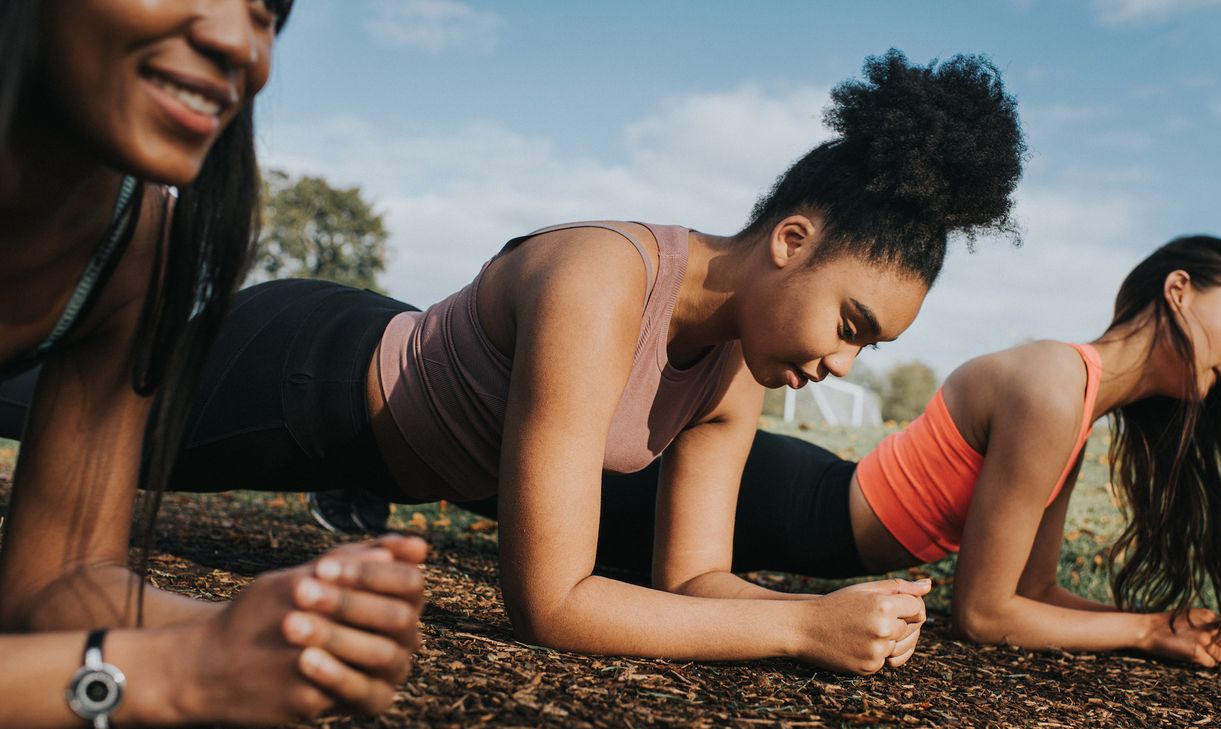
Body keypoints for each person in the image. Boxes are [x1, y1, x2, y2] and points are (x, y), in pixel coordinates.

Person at [1, 50, 1027, 674]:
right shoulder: (603, 278)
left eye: (870, 344)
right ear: (791, 241)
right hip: (301, 379)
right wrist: (800, 636)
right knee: (27, 391)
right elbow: (551, 602)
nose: (844, 364)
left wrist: (824, 613)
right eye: (850, 323)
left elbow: (693, 576)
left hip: (377, 438)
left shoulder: (735, 369)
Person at [456, 235, 1221, 668]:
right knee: (497, 466)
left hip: (806, 504)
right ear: (1178, 289)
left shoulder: (1078, 400)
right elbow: (987, 617)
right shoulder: (1053, 385)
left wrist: (1162, 626)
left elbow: (1034, 591)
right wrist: (1144, 631)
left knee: (528, 478)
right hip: (793, 504)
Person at [0, 2, 427, 726]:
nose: (237, 42)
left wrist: (260, 629)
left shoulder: (134, 243)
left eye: (265, 12)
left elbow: (58, 578)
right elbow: (154, 675)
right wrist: (161, 677)